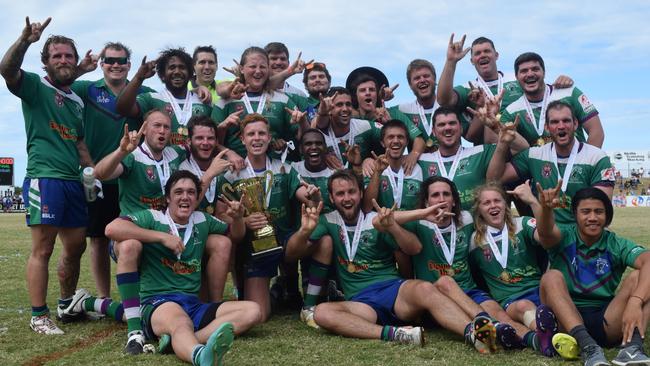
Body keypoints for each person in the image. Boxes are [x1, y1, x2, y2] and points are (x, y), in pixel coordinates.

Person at [287, 169, 499, 352]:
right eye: (340, 194)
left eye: (351, 191)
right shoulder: (327, 220)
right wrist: (304, 232)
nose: (347, 198)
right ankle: (395, 334)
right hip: (362, 302)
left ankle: (474, 333)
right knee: (323, 313)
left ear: (361, 193)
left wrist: (414, 218)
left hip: (394, 291)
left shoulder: (375, 219)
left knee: (425, 289)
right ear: (332, 198)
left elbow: (408, 246)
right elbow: (291, 254)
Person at [82, 169, 261, 365]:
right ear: (167, 198)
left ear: (197, 198)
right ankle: (200, 355)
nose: (185, 197)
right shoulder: (153, 218)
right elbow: (112, 229)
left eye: (191, 192)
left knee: (253, 311)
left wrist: (237, 218)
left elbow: (236, 236)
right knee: (180, 322)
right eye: (178, 192)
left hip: (193, 304)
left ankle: (180, 340)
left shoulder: (202, 220)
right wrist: (162, 237)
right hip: (158, 303)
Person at [0, 16, 95, 334]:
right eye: (57, 56)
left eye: (69, 55)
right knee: (43, 248)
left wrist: (91, 173)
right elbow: (7, 70)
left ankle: (66, 304)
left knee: (77, 246)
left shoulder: (77, 101)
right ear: (46, 61)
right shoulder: (35, 87)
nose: (64, 60)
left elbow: (79, 141)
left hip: (72, 182)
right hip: (45, 178)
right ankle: (38, 315)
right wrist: (26, 39)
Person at [529, 183, 650, 366]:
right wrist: (546, 209)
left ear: (607, 216)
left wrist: (635, 301)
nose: (592, 217)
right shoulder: (564, 237)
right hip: (567, 320)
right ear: (575, 215)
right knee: (551, 277)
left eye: (598, 212)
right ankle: (588, 347)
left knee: (640, 278)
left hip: (607, 320)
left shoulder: (615, 243)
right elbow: (545, 233)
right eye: (585, 212)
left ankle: (632, 347)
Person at [215, 113, 319, 322]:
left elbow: (301, 192)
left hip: (284, 241)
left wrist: (311, 196)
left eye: (262, 133)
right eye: (251, 134)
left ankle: (297, 283)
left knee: (314, 239)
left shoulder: (283, 168)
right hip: (255, 247)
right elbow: (220, 215)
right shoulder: (230, 175)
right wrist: (242, 221)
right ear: (242, 139)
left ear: (269, 138)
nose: (257, 138)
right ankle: (277, 292)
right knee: (260, 315)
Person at [72, 41, 154, 299]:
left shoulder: (144, 91)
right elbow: (56, 86)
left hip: (132, 178)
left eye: (121, 61)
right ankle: (104, 296)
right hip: (98, 176)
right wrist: (79, 70)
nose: (116, 65)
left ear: (130, 65)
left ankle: (142, 294)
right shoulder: (86, 89)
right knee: (97, 238)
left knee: (138, 237)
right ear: (102, 63)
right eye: (110, 60)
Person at [490, 101, 615, 225]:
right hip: (547, 235)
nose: (561, 126)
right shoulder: (534, 155)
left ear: (576, 124)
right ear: (547, 127)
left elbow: (601, 210)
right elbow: (494, 178)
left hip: (582, 235)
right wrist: (502, 143)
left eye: (566, 120)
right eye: (554, 122)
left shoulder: (597, 157)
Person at [436, 34, 574, 144]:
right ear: (472, 60)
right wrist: (451, 62)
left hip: (521, 150)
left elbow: (541, 89)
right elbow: (443, 100)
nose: (482, 55)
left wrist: (562, 80)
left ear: (496, 55)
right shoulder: (468, 88)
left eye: (487, 51)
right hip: (490, 155)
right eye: (477, 53)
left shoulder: (517, 81)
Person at [212, 46, 308, 160]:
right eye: (253, 66)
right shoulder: (226, 101)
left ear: (268, 69)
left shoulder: (282, 100)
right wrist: (224, 134)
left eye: (262, 67)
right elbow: (210, 141)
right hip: (236, 171)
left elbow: (305, 137)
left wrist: (302, 122)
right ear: (242, 69)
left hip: (273, 172)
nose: (258, 71)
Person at [417, 107, 523, 210]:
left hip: (478, 226)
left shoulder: (480, 152)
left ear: (461, 128)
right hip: (438, 225)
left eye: (452, 123)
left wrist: (497, 129)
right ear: (434, 132)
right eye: (441, 125)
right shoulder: (421, 161)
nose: (447, 128)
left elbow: (521, 149)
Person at [178, 115, 235, 302]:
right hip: (182, 234)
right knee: (195, 300)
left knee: (228, 239)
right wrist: (210, 174)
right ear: (189, 142)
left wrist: (238, 217)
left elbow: (221, 209)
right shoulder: (181, 168)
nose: (205, 143)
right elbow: (187, 204)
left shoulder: (224, 169)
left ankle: (217, 304)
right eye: (199, 138)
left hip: (207, 231)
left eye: (210, 138)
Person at [500, 52, 604, 148]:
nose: (530, 74)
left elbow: (596, 131)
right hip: (539, 167)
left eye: (535, 69)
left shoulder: (570, 93)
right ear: (516, 77)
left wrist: (588, 163)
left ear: (544, 73)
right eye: (524, 71)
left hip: (576, 163)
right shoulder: (511, 112)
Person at [116, 47, 213, 146]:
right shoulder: (152, 99)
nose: (177, 72)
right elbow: (123, 109)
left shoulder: (203, 101)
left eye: (182, 67)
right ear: (162, 75)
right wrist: (138, 78)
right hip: (161, 161)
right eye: (172, 68)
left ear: (190, 74)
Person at [362, 120, 423, 212]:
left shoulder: (417, 168)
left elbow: (420, 206)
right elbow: (367, 207)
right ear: (382, 143)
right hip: (381, 223)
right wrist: (377, 173)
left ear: (407, 142)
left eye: (400, 137)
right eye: (390, 137)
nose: (396, 141)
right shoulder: (372, 167)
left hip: (410, 224)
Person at [390, 59, 445, 150]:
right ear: (410, 85)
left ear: (435, 79)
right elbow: (376, 112)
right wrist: (382, 98)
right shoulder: (402, 110)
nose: (422, 80)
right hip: (415, 164)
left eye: (426, 76)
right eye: (417, 78)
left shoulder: (450, 105)